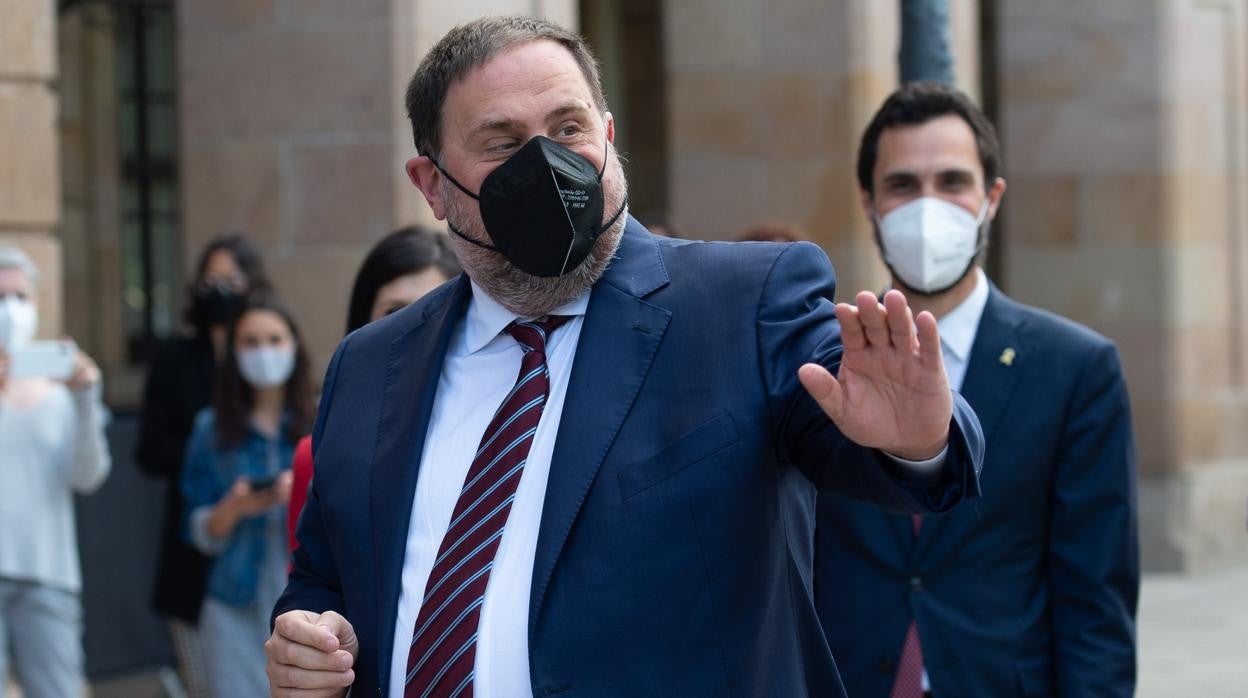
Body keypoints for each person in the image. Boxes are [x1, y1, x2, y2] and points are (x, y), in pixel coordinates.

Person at [266, 17, 986, 697]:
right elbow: (330, 579)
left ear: (609, 138)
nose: (547, 166)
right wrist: (308, 638)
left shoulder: (743, 303)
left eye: (568, 128)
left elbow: (868, 447)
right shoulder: (370, 364)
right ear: (432, 185)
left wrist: (916, 439)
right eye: (502, 141)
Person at [813, 82, 1139, 697]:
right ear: (869, 201)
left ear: (991, 198)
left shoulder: (1076, 370)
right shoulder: (820, 360)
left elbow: (1095, 603)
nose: (927, 207)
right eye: (903, 185)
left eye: (953, 182)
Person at [135, 234, 270, 698]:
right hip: (195, 547)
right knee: (207, 684)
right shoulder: (175, 359)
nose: (220, 292)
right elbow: (149, 451)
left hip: (266, 552)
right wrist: (211, 453)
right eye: (211, 282)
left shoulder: (263, 354)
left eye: (232, 281)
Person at [287, 225, 462, 552]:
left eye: (434, 308)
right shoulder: (315, 460)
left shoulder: (506, 443)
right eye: (395, 312)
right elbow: (308, 580)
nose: (415, 327)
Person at [181, 293, 314, 696]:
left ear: (294, 344)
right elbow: (197, 529)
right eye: (250, 342)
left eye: (274, 340)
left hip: (307, 599)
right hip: (234, 599)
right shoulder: (211, 428)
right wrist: (234, 507)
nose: (264, 352)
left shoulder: (323, 418)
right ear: (234, 352)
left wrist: (302, 494)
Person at [0, 246, 110, 698]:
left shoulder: (60, 389)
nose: (10, 309)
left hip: (48, 573)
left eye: (20, 297)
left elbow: (89, 476)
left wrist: (86, 398)